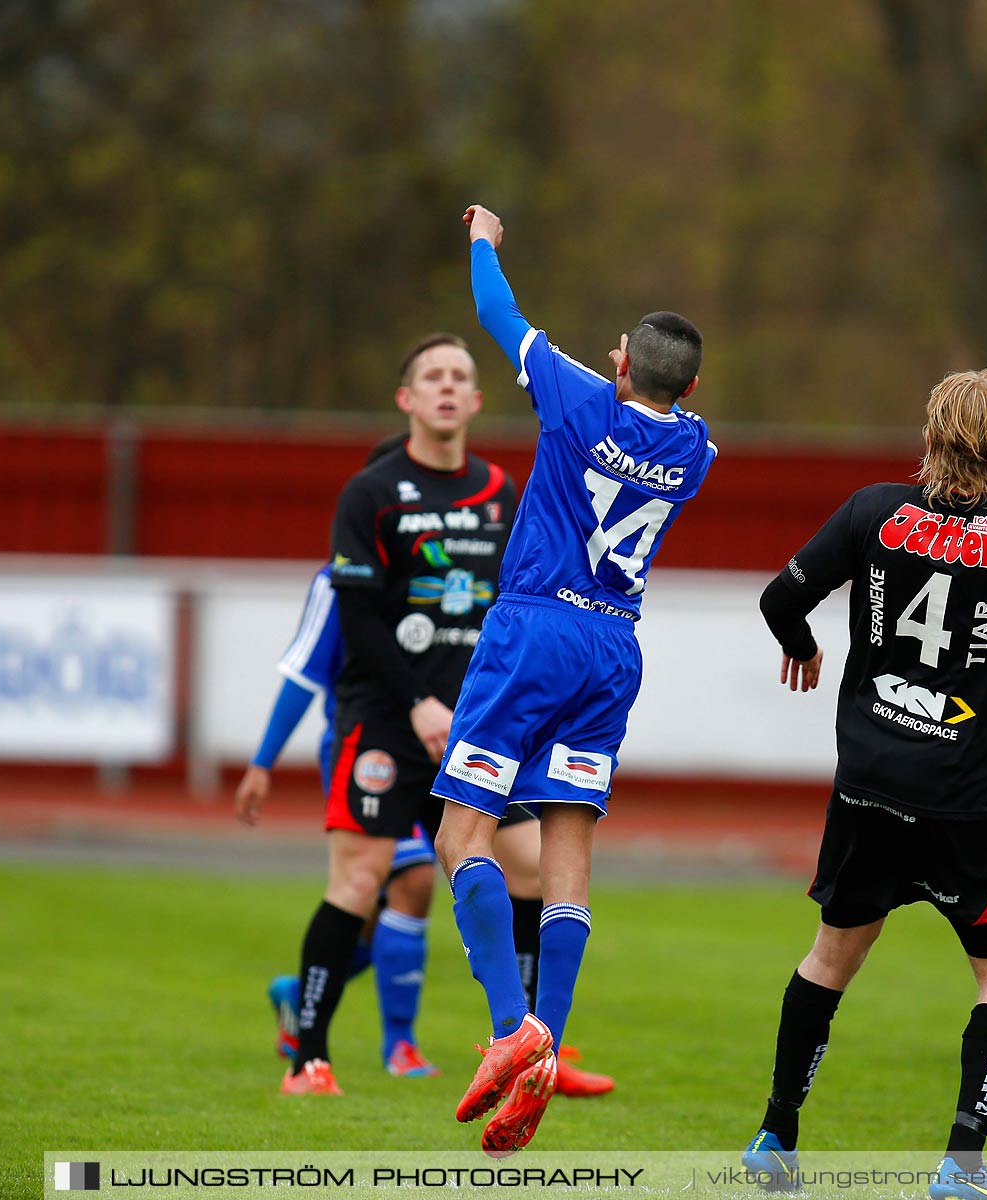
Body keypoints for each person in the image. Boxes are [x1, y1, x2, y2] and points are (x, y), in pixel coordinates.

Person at [737, 368, 987, 1199]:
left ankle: (776, 1134)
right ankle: (962, 1164)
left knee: (829, 960)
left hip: (867, 786)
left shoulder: (873, 510)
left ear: (932, 434)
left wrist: (803, 645)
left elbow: (779, 600)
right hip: (962, 803)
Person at [431, 204, 717, 1155]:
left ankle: (511, 1024)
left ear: (622, 361)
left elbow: (495, 309)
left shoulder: (576, 395)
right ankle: (549, 1039)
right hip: (614, 648)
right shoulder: (696, 450)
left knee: (459, 832)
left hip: (535, 629)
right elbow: (672, 414)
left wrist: (484, 236)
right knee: (568, 850)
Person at [246, 332, 521, 1097]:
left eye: (459, 376)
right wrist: (418, 702)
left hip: (476, 722)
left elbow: (516, 609)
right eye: (430, 374)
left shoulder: (503, 493)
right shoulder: (370, 493)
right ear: (406, 398)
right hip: (385, 722)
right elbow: (357, 620)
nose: (445, 386)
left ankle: (529, 1048)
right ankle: (309, 1060)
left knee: (524, 867)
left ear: (475, 400)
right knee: (362, 881)